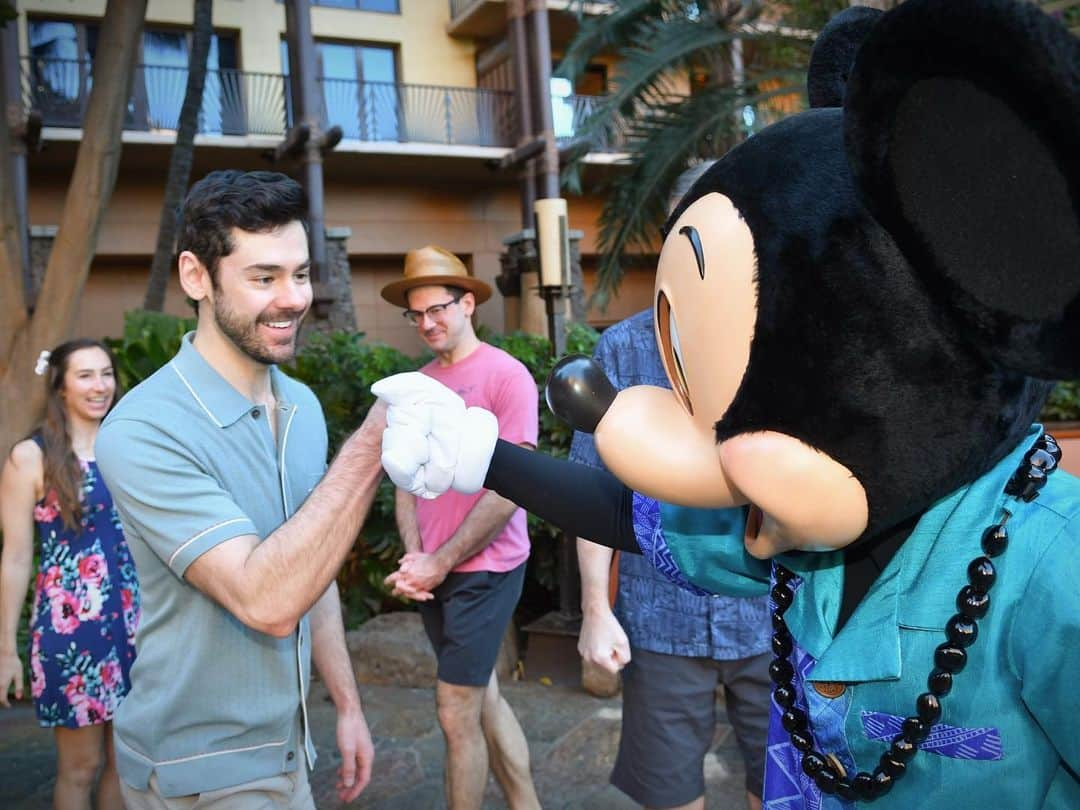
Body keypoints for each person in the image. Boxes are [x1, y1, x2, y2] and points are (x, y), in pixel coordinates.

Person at [94, 170, 385, 807]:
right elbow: (267, 599)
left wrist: (347, 706)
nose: (293, 298)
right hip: (199, 769)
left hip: (287, 748)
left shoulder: (302, 406)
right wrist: (370, 449)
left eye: (301, 273)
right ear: (197, 276)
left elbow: (314, 568)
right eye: (264, 277)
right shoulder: (142, 430)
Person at [571, 161, 771, 810]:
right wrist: (596, 612)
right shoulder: (623, 353)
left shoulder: (779, 344)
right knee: (669, 795)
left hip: (772, 617)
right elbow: (590, 492)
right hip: (662, 621)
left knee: (784, 792)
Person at [380, 245, 541, 810]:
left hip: (486, 570)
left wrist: (439, 560)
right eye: (416, 313)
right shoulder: (416, 385)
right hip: (434, 572)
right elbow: (405, 482)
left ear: (468, 303)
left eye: (438, 309)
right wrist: (414, 559)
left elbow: (509, 489)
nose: (426, 323)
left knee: (454, 712)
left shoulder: (507, 377)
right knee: (483, 700)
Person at [0, 339, 137, 810]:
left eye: (106, 374)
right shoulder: (30, 458)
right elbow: (16, 558)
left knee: (129, 765)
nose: (100, 386)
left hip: (139, 627)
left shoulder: (130, 447)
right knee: (79, 769)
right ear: (60, 388)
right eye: (85, 376)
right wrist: (5, 651)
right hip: (72, 633)